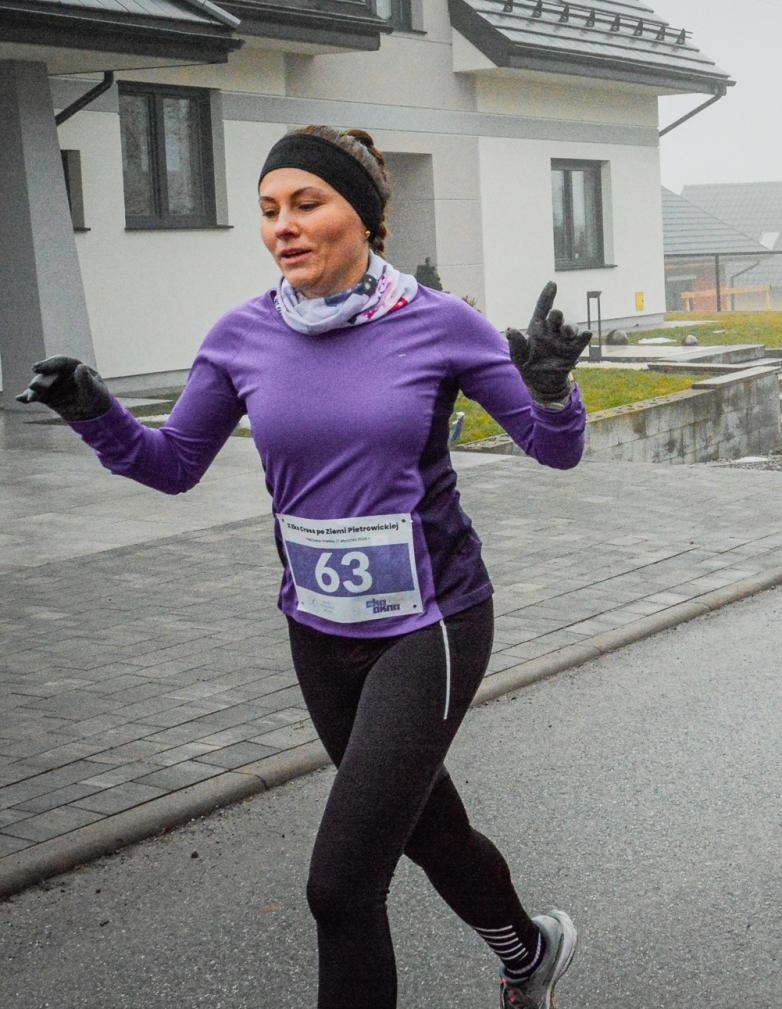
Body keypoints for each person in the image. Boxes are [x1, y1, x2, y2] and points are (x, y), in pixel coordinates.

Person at [17, 125, 588, 1009]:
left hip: (431, 626)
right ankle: (531, 950)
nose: (282, 225)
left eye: (305, 203)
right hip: (318, 632)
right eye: (268, 210)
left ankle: (524, 954)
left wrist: (551, 388)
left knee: (340, 886)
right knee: (429, 831)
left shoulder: (441, 326)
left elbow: (554, 452)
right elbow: (173, 464)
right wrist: (95, 410)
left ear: (359, 217)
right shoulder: (243, 336)